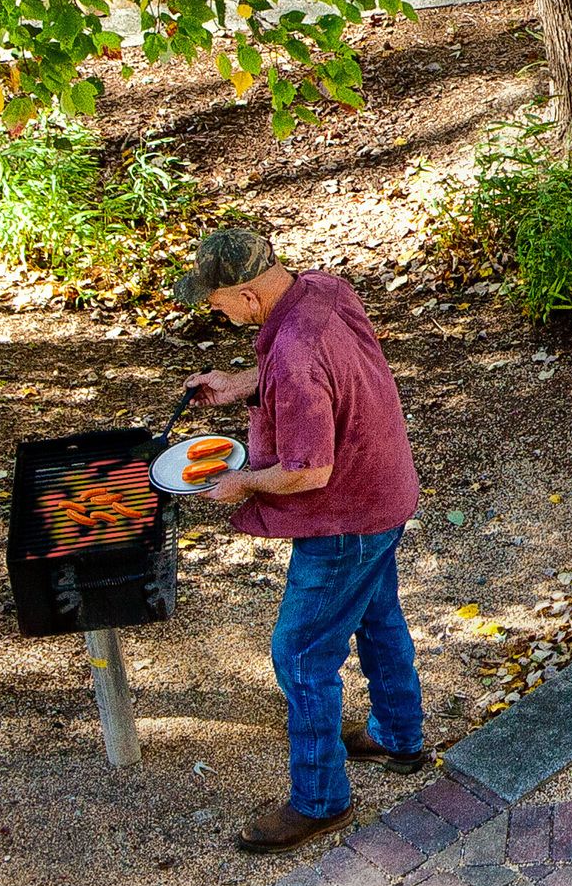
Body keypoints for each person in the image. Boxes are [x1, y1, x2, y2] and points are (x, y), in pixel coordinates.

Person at [175, 227, 428, 854]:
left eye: (216, 301)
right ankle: (400, 737)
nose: (214, 311)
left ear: (247, 296)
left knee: (301, 653)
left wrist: (239, 484)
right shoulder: (321, 290)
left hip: (344, 518)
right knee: (378, 617)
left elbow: (307, 470)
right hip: (386, 489)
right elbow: (324, 380)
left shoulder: (291, 353)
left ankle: (321, 800)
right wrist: (242, 384)